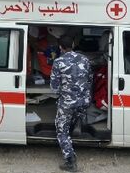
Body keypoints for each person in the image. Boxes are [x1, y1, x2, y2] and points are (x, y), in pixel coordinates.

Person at [50, 34, 92, 172]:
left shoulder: (58, 62)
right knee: (73, 118)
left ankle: (70, 160)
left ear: (60, 47)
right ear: (73, 45)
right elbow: (90, 79)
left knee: (61, 129)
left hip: (68, 103)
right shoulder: (85, 59)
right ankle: (76, 125)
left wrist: (63, 92)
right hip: (84, 101)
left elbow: (54, 87)